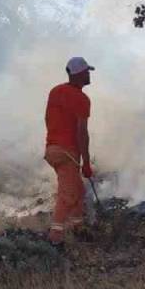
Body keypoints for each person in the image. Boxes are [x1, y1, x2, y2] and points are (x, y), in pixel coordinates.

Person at [44, 56, 95, 245]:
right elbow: (82, 133)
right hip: (66, 152)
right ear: (80, 74)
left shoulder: (55, 91)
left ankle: (78, 228)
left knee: (78, 190)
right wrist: (87, 163)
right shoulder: (81, 99)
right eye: (87, 72)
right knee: (68, 194)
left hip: (52, 149)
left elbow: (48, 118)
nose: (89, 75)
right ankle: (54, 238)